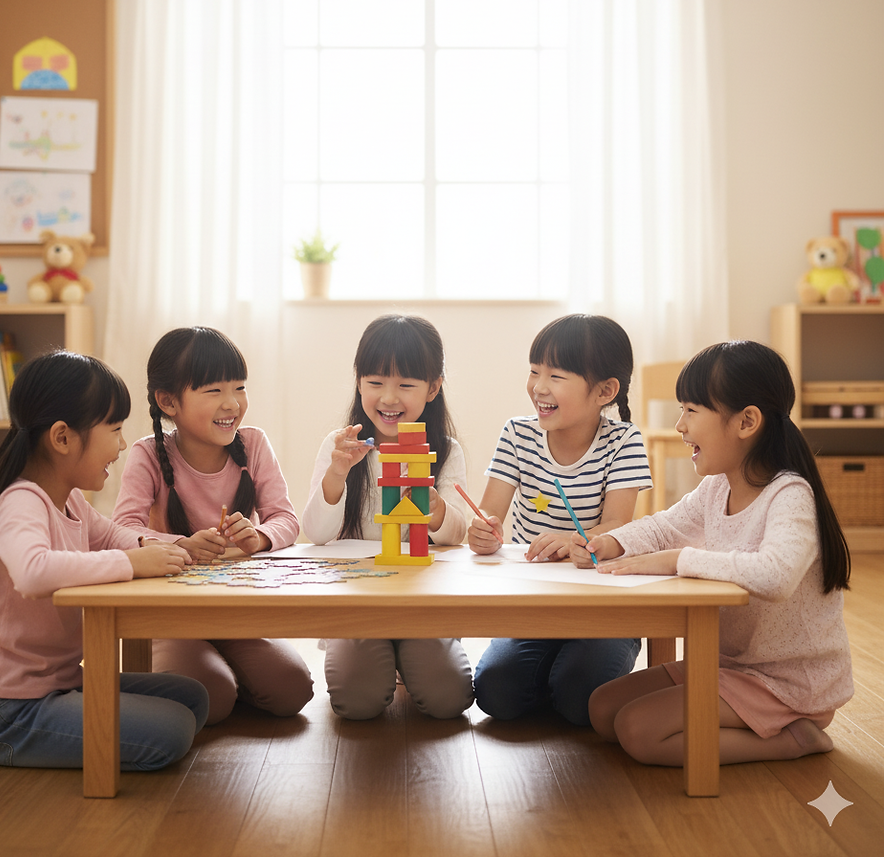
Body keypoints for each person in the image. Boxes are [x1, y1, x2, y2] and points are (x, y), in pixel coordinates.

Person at [582, 340, 853, 765]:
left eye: (691, 410)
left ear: (746, 422)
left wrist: (678, 560)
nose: (679, 426)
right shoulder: (718, 486)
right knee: (602, 710)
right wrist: (610, 542)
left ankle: (795, 738)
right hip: (732, 666)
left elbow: (776, 575)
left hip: (788, 682)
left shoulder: (790, 494)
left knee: (638, 731)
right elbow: (666, 525)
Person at [0, 350, 209, 770]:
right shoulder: (20, 500)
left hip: (58, 685)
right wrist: (131, 563)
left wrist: (177, 545)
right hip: (3, 710)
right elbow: (33, 573)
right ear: (62, 437)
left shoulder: (68, 499)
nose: (123, 445)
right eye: (115, 429)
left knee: (193, 696)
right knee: (175, 728)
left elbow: (112, 534)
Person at [112, 326, 313, 725]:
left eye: (239, 388)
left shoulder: (254, 444)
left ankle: (219, 671)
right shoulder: (148, 454)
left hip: (236, 610)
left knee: (293, 689)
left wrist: (260, 537)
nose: (232, 404)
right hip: (171, 617)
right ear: (169, 401)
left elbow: (286, 519)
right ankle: (209, 675)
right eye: (213, 391)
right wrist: (180, 545)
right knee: (213, 697)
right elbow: (121, 529)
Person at [467, 314, 652, 724]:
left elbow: (618, 525)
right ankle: (555, 678)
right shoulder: (517, 434)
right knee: (497, 694)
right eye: (534, 372)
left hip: (604, 607)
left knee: (578, 695)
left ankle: (566, 682)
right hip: (534, 602)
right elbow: (489, 516)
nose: (539, 387)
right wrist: (483, 533)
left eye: (556, 376)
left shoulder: (623, 441)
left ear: (605, 391)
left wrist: (572, 538)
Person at [303, 313, 474, 719]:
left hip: (424, 603)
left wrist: (436, 510)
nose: (389, 398)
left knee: (449, 698)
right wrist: (337, 474)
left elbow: (457, 536)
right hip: (357, 603)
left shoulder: (445, 450)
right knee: (357, 701)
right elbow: (315, 534)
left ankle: (407, 661)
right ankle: (383, 662)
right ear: (359, 381)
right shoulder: (339, 444)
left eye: (406, 385)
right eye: (375, 383)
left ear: (433, 388)